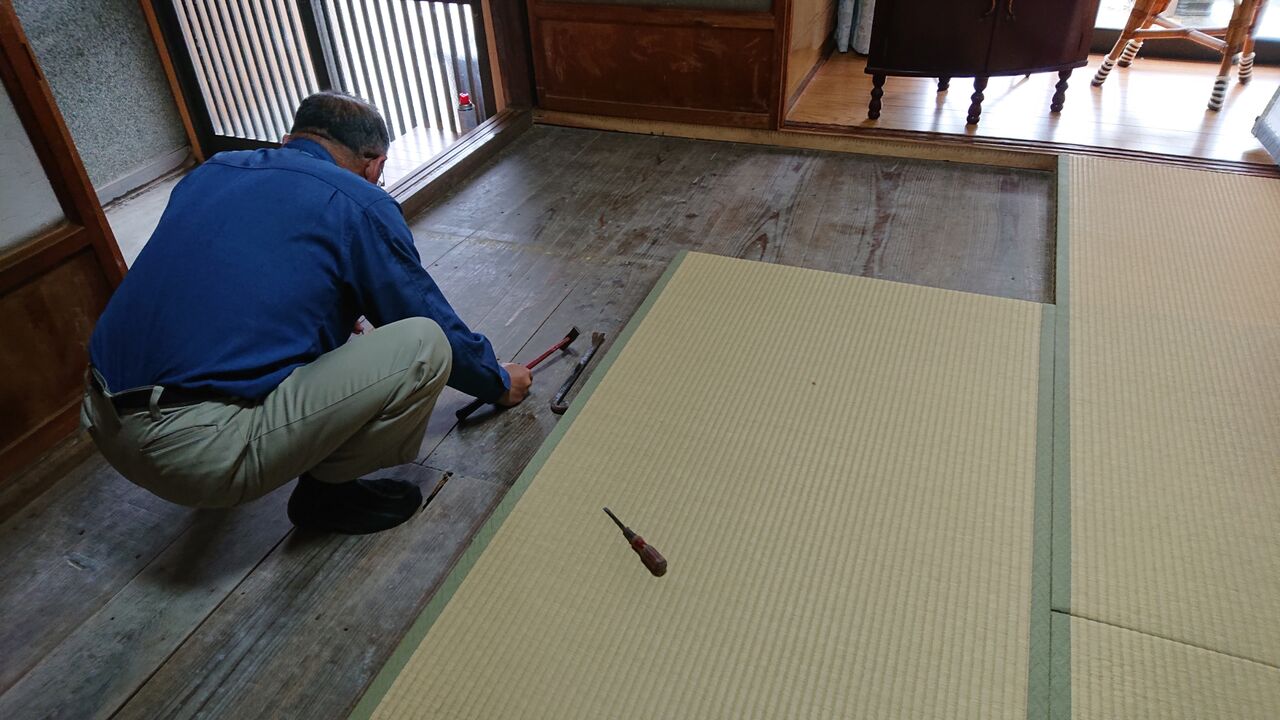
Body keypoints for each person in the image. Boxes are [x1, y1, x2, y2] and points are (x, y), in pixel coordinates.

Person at [81, 92, 531, 534]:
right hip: (192, 453)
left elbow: (234, 283)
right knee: (423, 344)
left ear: (289, 140)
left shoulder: (214, 170)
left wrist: (331, 313)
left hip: (102, 419)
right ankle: (328, 497)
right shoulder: (359, 202)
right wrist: (496, 381)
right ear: (374, 164)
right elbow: (422, 311)